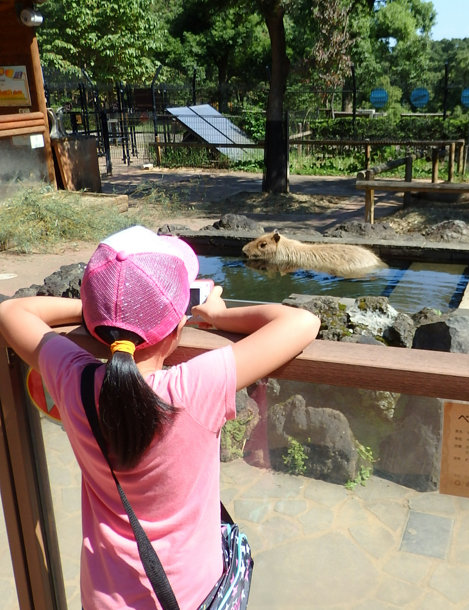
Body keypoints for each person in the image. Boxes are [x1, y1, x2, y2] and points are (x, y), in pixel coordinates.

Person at [0, 225, 320, 610]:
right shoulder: (195, 387)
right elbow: (302, 323)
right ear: (176, 329)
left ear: (99, 330)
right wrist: (219, 316)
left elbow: (12, 311)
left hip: (103, 597)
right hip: (191, 594)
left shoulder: (75, 379)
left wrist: (95, 313)